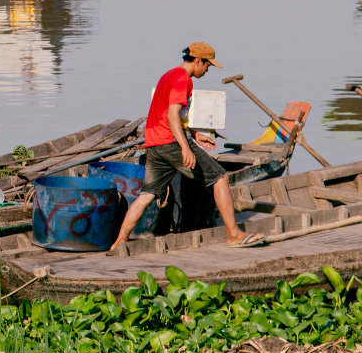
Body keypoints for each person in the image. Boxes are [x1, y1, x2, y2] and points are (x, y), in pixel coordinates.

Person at [109, 42, 263, 252]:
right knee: (220, 177)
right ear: (198, 60)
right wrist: (186, 147)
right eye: (207, 65)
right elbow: (172, 117)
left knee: (147, 194)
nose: (207, 70)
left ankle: (119, 243)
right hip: (169, 141)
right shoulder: (183, 80)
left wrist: (195, 135)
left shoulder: (168, 75)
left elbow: (171, 115)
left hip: (154, 143)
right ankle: (234, 234)